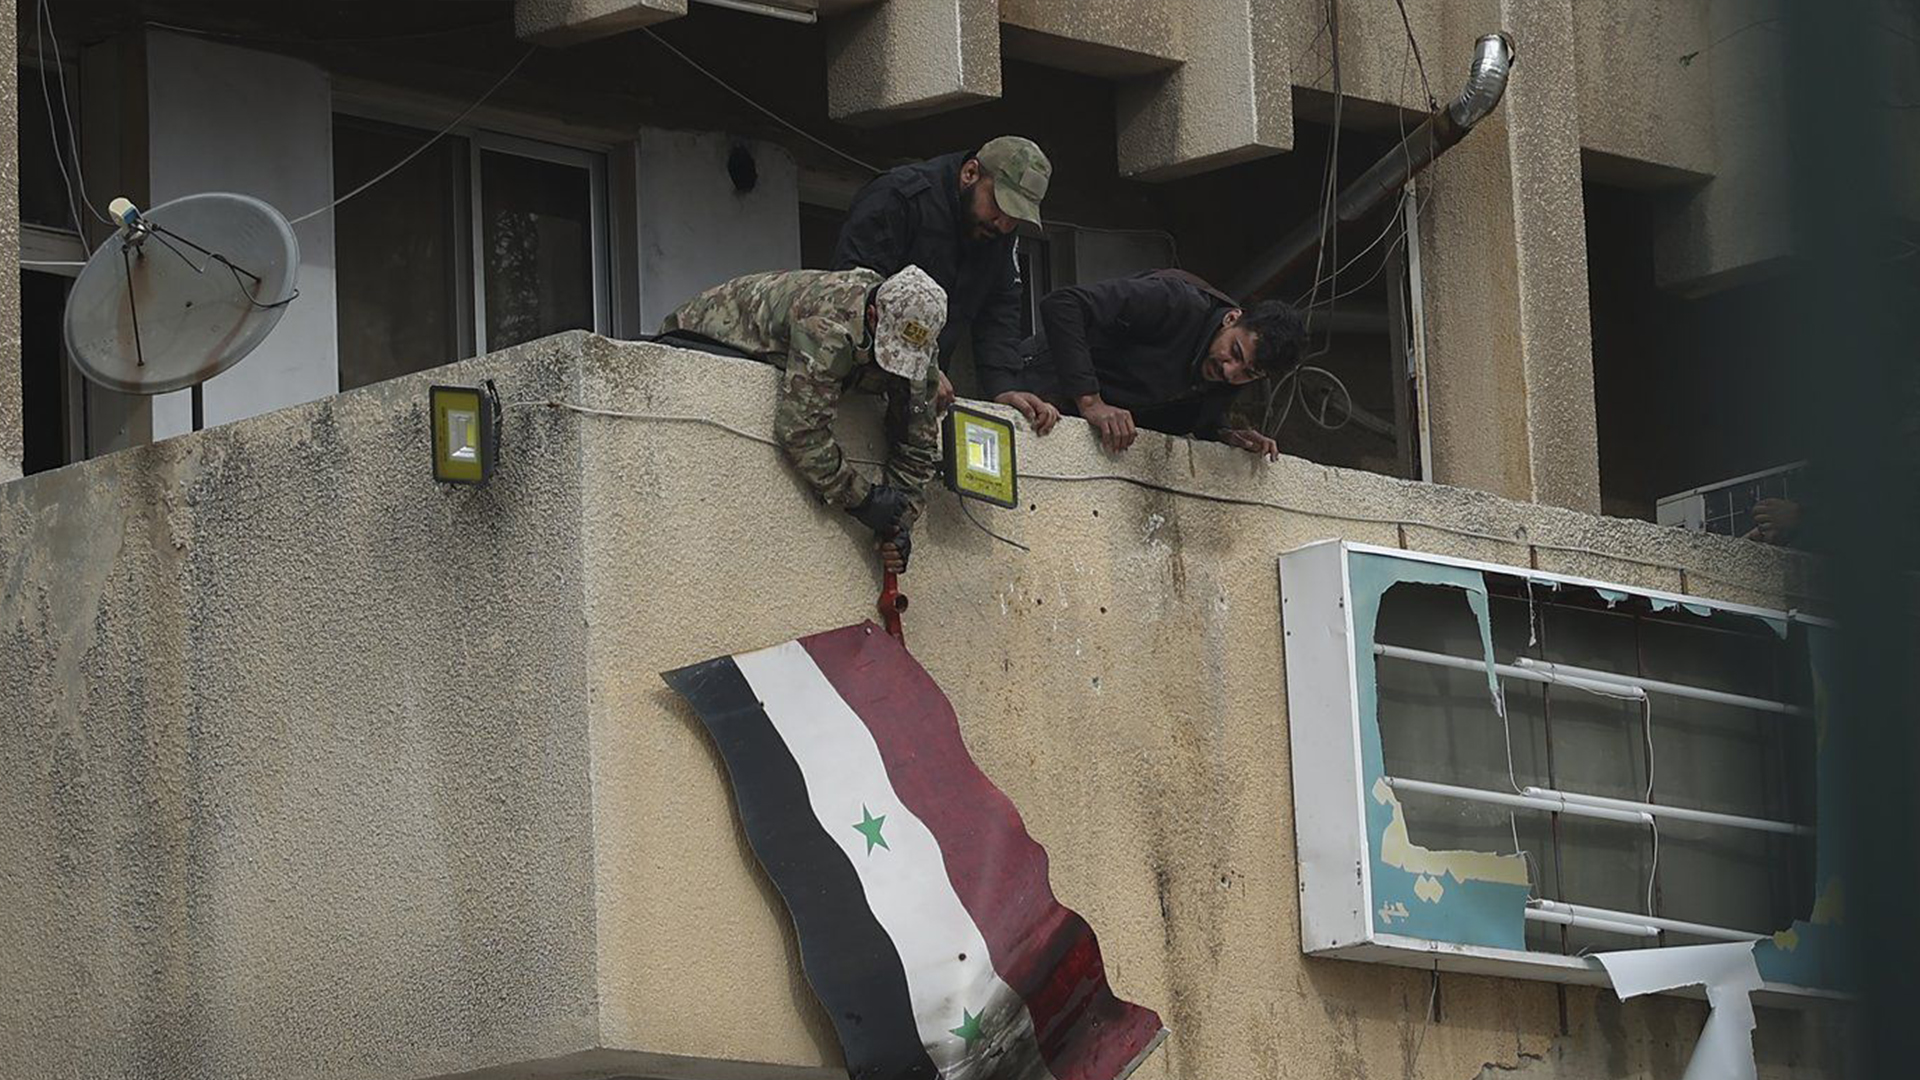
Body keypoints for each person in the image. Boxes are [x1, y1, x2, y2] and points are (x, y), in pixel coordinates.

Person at [659, 265, 948, 573]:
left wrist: (899, 523)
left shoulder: (917, 338)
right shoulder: (828, 324)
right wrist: (863, 499)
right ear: (875, 315)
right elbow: (799, 430)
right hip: (706, 334)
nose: (899, 365)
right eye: (893, 350)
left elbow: (917, 446)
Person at [981, 269, 1307, 459]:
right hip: (1033, 392)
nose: (1230, 371)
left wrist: (1224, 433)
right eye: (1234, 353)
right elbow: (1063, 305)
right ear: (1232, 318)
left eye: (1247, 373)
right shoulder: (1176, 301)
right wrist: (1091, 401)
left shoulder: (1226, 374)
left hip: (1079, 443)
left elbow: (1188, 410)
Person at [832, 136, 1052, 414]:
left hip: (921, 393)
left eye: (1016, 217)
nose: (1005, 224)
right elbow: (855, 290)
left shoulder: (998, 230)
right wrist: (923, 363)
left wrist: (1004, 385)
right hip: (855, 380)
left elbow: (1000, 307)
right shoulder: (898, 195)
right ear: (970, 173)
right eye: (1000, 205)